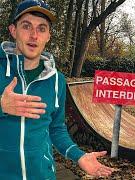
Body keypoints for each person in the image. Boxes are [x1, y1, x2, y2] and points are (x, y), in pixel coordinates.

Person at [0, 0, 113, 179]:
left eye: (42, 28)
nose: (34, 35)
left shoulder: (56, 80)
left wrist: (79, 155)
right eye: (26, 26)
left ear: (48, 36)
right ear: (13, 31)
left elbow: (56, 128)